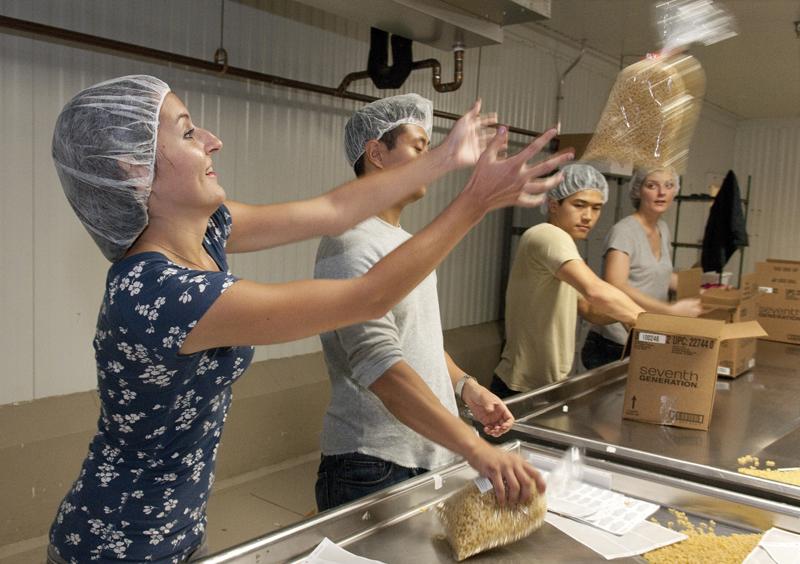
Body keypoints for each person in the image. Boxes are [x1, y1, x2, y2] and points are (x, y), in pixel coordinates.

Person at [46, 75, 572, 563]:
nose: (211, 140)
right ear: (132, 168)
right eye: (187, 133)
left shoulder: (205, 234)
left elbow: (332, 209)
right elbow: (367, 299)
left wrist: (444, 158)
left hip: (177, 527)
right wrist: (475, 202)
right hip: (120, 541)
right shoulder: (161, 294)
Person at [314, 94, 532, 511]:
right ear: (376, 152)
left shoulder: (401, 241)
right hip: (374, 463)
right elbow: (382, 367)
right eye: (419, 146)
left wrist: (467, 388)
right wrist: (473, 446)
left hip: (424, 453)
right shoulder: (350, 243)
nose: (431, 159)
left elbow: (415, 337)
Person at [492, 164, 645, 397]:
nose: (588, 217)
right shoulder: (547, 235)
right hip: (521, 388)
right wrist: (648, 323)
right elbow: (595, 290)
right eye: (579, 205)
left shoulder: (563, 248)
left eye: (596, 208)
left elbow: (589, 308)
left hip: (547, 385)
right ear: (554, 205)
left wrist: (630, 320)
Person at [581, 166, 703, 371]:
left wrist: (703, 291)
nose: (662, 192)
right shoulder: (624, 232)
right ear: (638, 190)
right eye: (652, 185)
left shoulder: (662, 229)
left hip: (646, 335)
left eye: (669, 185)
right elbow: (616, 284)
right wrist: (669, 310)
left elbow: (659, 275)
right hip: (615, 343)